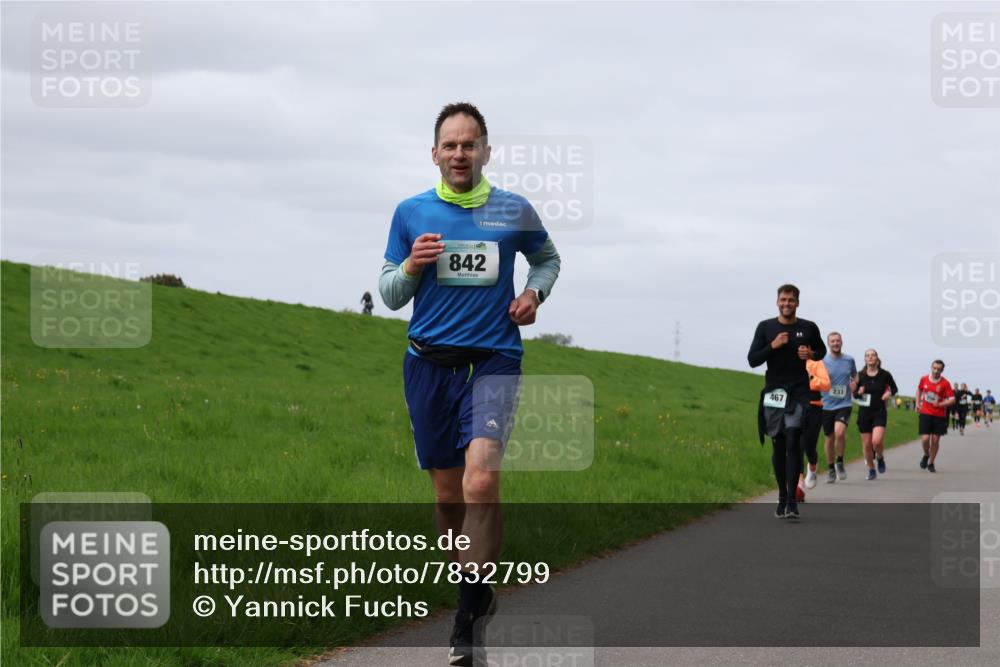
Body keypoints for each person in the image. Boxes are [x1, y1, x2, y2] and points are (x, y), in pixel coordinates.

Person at [378, 102, 561, 666]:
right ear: (434, 154)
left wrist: (534, 294)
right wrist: (411, 266)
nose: (460, 154)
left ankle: (466, 618)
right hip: (428, 365)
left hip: (494, 359)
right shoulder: (410, 212)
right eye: (450, 145)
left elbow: (547, 260)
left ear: (486, 151)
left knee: (481, 481)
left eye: (470, 143)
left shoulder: (512, 209)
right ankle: (476, 587)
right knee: (447, 493)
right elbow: (388, 293)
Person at [749, 284, 826, 520]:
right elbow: (752, 359)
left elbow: (821, 350)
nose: (787, 304)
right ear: (777, 302)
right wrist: (772, 346)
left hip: (799, 392)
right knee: (779, 444)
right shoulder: (766, 327)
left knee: (794, 439)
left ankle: (793, 500)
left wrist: (811, 354)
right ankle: (782, 496)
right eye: (783, 300)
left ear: (798, 303)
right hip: (774, 391)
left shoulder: (808, 327)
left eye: (791, 300)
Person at [853, 349, 898, 480]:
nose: (870, 357)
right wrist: (858, 392)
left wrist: (888, 393)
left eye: (873, 355)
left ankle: (880, 457)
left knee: (876, 441)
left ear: (877, 359)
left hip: (879, 412)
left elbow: (894, 388)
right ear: (865, 359)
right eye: (867, 355)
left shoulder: (885, 375)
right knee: (867, 445)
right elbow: (854, 393)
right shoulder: (860, 375)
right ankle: (872, 469)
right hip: (864, 413)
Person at [821, 332, 857, 483]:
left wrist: (855, 383)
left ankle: (840, 461)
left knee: (839, 432)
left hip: (844, 403)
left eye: (838, 340)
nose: (836, 343)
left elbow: (855, 375)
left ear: (842, 342)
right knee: (829, 438)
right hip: (826, 405)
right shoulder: (822, 361)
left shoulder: (849, 360)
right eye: (833, 341)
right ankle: (830, 469)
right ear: (828, 343)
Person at [915, 360, 955, 473]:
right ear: (931, 367)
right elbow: (919, 390)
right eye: (934, 368)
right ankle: (926, 454)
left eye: (939, 369)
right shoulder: (924, 379)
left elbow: (952, 399)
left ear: (942, 370)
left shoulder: (945, 383)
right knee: (925, 439)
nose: (936, 371)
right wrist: (917, 403)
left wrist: (941, 404)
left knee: (936, 440)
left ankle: (931, 463)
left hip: (939, 415)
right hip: (925, 413)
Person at [801, 357, 831, 492]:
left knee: (809, 446)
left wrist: (811, 378)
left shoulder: (817, 363)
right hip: (795, 407)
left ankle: (812, 466)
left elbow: (826, 385)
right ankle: (798, 484)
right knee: (796, 446)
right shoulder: (790, 360)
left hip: (814, 408)